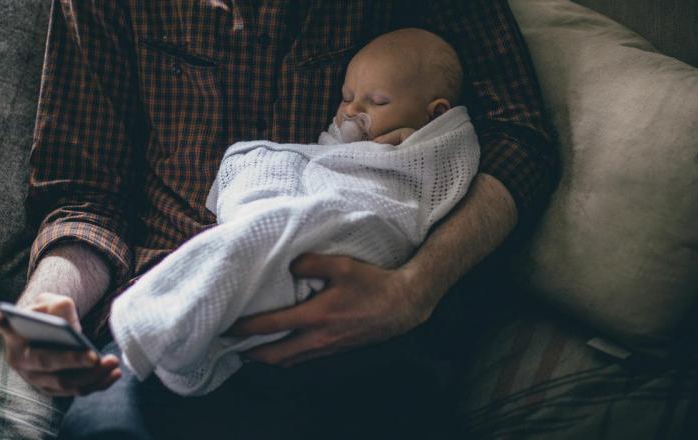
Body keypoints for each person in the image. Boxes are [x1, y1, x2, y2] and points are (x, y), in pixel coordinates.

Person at [0, 0, 559, 437]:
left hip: (362, 330)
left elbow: (518, 137)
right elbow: (83, 195)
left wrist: (411, 291)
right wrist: (46, 306)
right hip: (172, 318)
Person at [109, 28, 480, 396]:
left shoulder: (436, 147)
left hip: (366, 225)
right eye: (347, 97)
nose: (353, 112)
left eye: (378, 102)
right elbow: (325, 159)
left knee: (275, 231)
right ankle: (185, 315)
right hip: (319, 193)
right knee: (261, 165)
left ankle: (160, 319)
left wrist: (411, 145)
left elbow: (443, 170)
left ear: (437, 114)